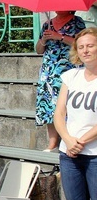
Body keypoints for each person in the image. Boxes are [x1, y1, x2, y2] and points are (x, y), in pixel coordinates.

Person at [54, 28, 97, 200]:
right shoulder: (71, 76)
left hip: (93, 155)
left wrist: (80, 141)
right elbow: (59, 115)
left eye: (90, 45)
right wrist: (69, 141)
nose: (86, 50)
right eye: (81, 47)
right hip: (69, 155)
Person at [36, 11, 84, 151]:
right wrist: (43, 40)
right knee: (48, 106)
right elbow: (39, 50)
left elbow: (80, 42)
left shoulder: (77, 22)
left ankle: (68, 139)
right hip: (49, 71)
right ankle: (52, 143)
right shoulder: (47, 24)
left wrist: (60, 37)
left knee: (67, 105)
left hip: (68, 67)